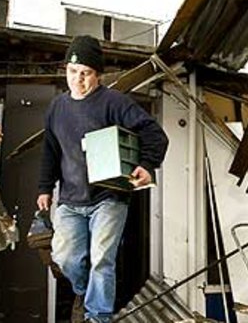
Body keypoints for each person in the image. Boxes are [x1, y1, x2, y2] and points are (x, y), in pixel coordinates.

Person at [37, 35, 169, 323]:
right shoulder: (57, 108)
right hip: (70, 200)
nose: (78, 80)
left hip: (109, 198)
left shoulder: (114, 103)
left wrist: (147, 165)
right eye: (73, 72)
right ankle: (84, 292)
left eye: (85, 74)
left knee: (101, 260)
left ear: (97, 75)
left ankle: (98, 317)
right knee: (66, 258)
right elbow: (50, 150)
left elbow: (154, 134)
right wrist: (45, 188)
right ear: (66, 71)